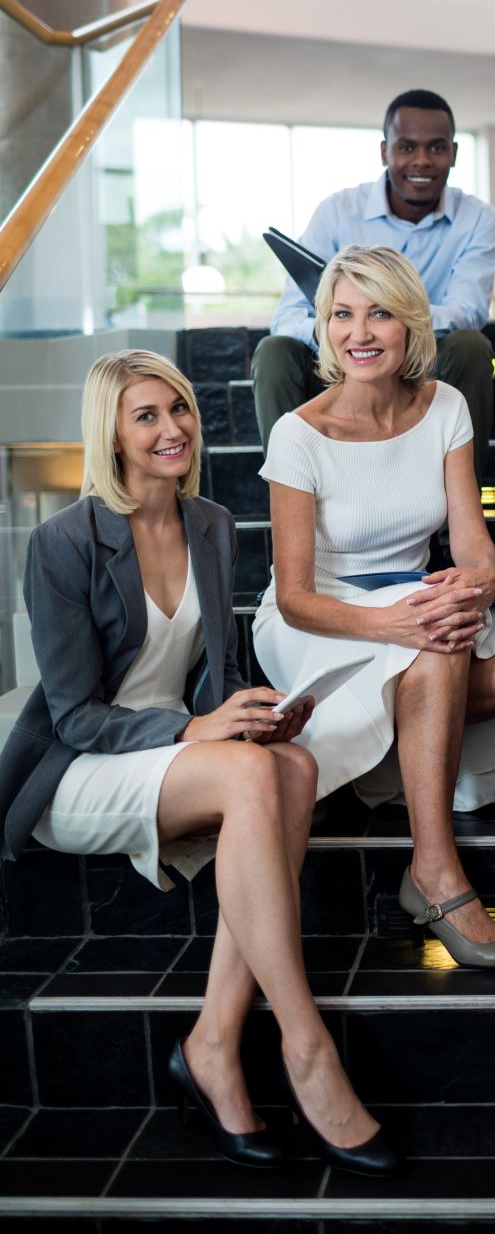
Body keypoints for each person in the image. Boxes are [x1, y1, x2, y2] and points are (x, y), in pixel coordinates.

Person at [0, 351, 399, 1178]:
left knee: (287, 763)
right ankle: (305, 1044)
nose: (173, 428)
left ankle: (214, 1042)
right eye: (145, 415)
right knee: (259, 775)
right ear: (109, 433)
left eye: (178, 409)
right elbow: (74, 716)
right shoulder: (60, 544)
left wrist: (259, 711)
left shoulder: (210, 524)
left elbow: (212, 676)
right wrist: (198, 732)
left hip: (174, 749)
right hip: (79, 769)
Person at [253, 245, 495, 969]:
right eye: (341, 314)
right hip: (324, 614)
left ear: (410, 323)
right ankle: (434, 870)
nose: (359, 332)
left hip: (414, 599)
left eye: (379, 312)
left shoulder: (446, 407)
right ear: (324, 327)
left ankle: (376, 740)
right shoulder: (298, 433)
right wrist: (393, 623)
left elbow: (474, 546)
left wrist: (474, 587)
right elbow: (295, 596)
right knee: (437, 647)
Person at [252, 88, 495, 484]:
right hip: (341, 361)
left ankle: (457, 521)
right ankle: (292, 497)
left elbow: (466, 309)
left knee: (471, 345)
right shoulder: (337, 212)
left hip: (421, 361)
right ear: (384, 152)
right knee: (273, 352)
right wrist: (352, 335)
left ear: (453, 154)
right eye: (407, 147)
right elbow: (287, 317)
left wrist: (390, 323)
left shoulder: (477, 218)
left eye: (436, 148)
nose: (421, 160)